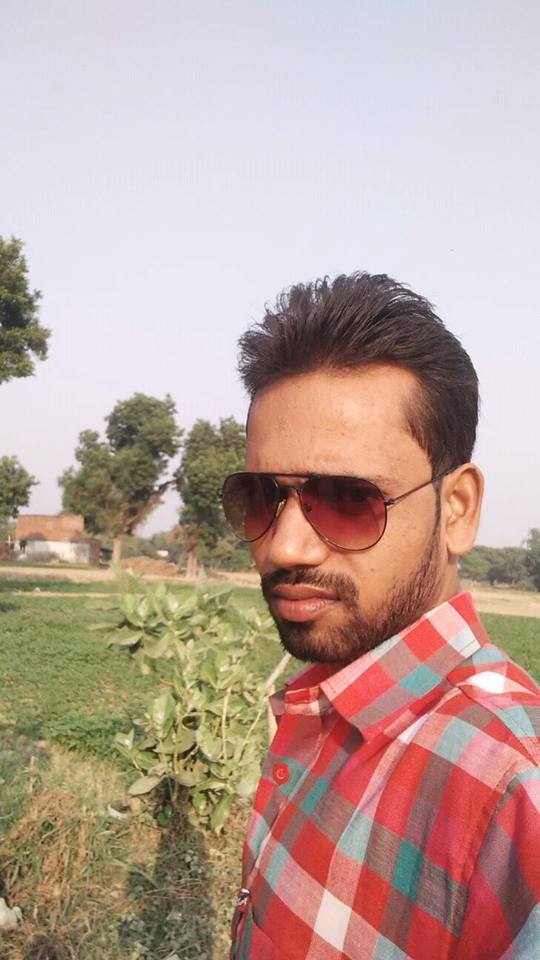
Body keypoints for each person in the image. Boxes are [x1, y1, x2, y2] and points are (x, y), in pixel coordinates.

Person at [221, 272, 540, 960]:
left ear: (457, 510)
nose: (284, 546)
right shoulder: (320, 707)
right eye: (262, 496)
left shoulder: (513, 795)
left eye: (348, 499)